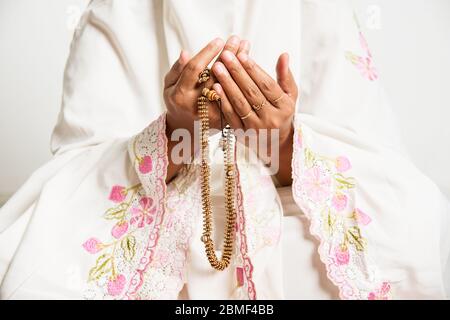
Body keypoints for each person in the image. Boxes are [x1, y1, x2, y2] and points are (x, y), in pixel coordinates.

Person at [1, 0, 449, 300]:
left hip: (293, 212)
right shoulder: (117, 10)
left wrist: (283, 141)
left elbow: (374, 152)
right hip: (157, 214)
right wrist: (177, 132)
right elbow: (80, 165)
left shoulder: (320, 7)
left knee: (422, 227)